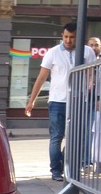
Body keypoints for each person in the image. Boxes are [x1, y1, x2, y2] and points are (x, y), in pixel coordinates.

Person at [25, 22, 97, 181]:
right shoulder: (53, 52)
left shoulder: (88, 52)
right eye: (65, 37)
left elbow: (91, 73)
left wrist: (91, 82)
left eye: (72, 37)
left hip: (79, 101)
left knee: (77, 136)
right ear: (62, 36)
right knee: (57, 136)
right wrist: (32, 101)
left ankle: (64, 163)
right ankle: (56, 171)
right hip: (58, 101)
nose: (68, 40)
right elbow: (41, 78)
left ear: (78, 37)